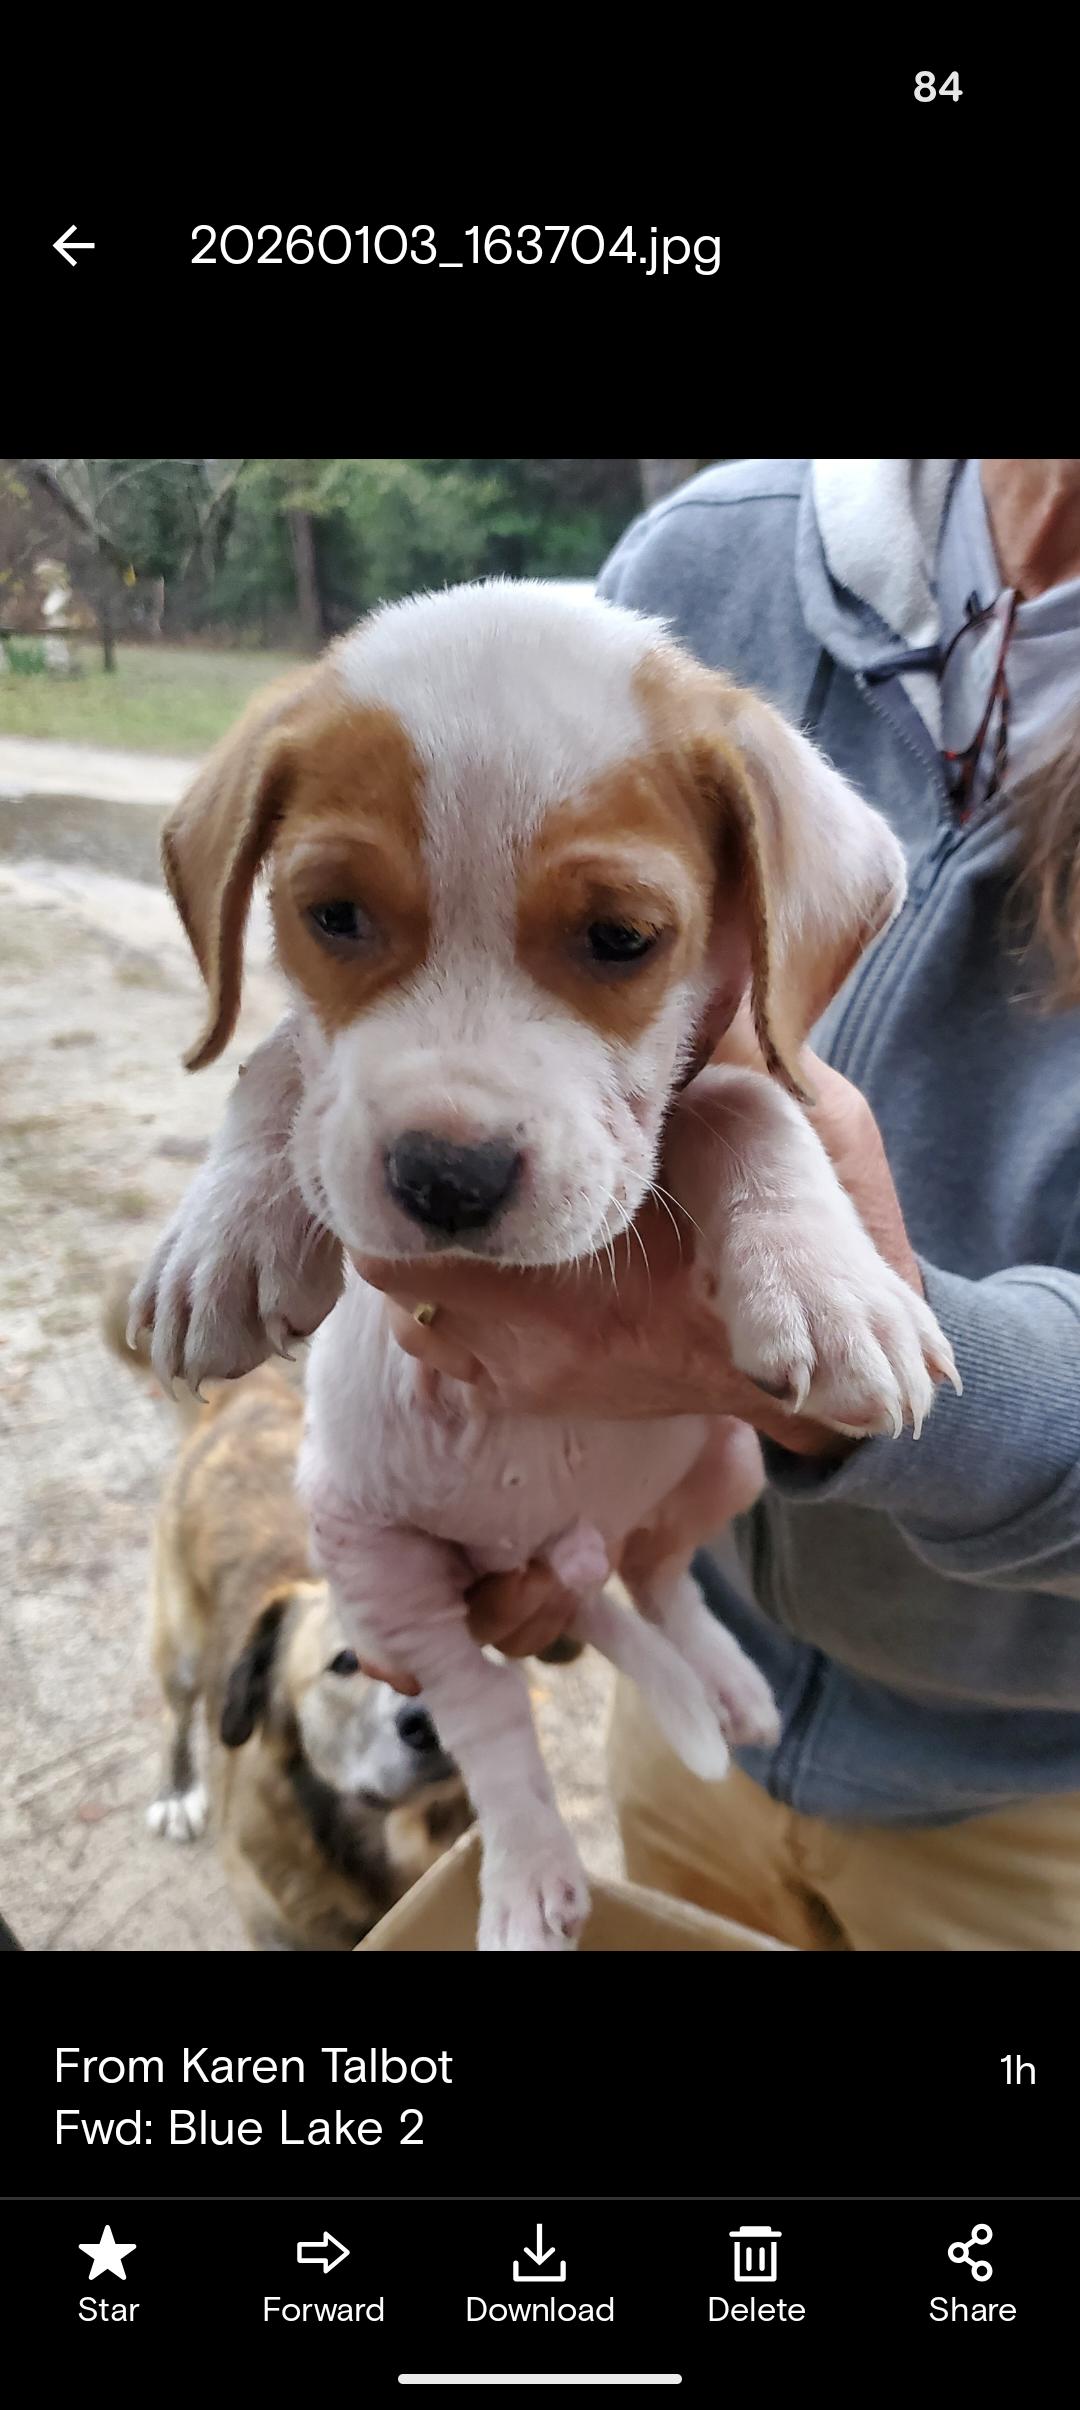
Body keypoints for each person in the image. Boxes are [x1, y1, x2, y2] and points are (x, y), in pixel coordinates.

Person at [357, 460, 1080, 1951]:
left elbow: (747, 1092)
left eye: (622, 932)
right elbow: (441, 968)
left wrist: (879, 1373)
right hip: (695, 1709)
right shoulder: (711, 554)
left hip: (1029, 1812)